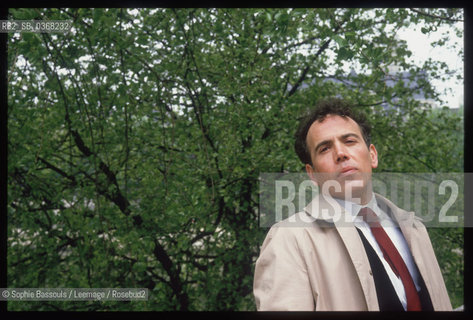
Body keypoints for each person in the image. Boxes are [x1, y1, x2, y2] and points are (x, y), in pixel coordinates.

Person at [253, 98, 452, 311]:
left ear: (372, 155)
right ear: (312, 174)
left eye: (349, 141)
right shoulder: (290, 240)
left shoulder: (414, 228)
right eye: (324, 149)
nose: (340, 153)